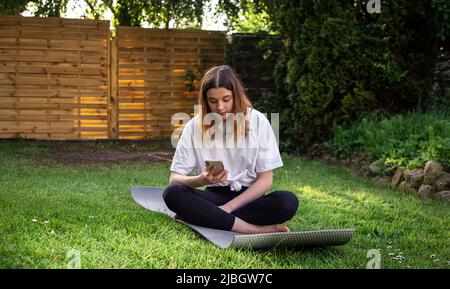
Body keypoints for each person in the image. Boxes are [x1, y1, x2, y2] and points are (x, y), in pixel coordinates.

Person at [163, 65, 298, 234]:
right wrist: (202, 180)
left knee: (287, 202)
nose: (220, 107)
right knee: (172, 193)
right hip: (213, 197)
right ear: (205, 101)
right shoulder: (193, 127)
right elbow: (174, 179)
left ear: (236, 96)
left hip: (249, 199)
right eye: (213, 101)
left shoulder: (258, 121)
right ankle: (252, 229)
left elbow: (265, 180)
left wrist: (228, 208)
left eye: (226, 99)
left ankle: (206, 216)